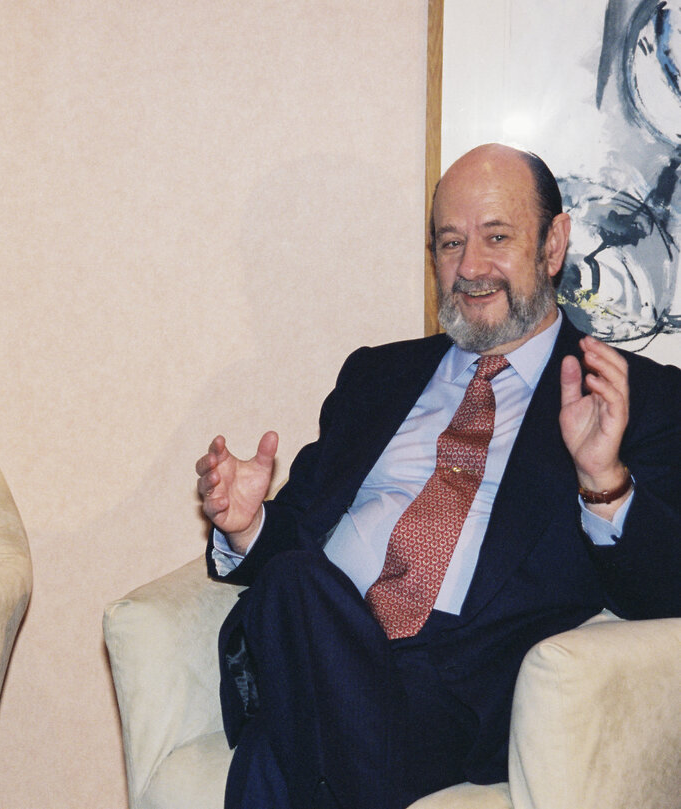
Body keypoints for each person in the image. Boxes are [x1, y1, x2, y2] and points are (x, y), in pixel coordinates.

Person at [194, 143, 681, 809]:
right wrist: (249, 526)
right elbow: (297, 533)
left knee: (275, 740)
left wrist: (603, 481)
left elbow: (665, 592)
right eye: (450, 243)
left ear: (553, 243)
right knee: (293, 579)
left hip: (458, 691)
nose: (471, 267)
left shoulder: (635, 397)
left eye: (497, 237)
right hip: (324, 637)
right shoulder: (375, 377)